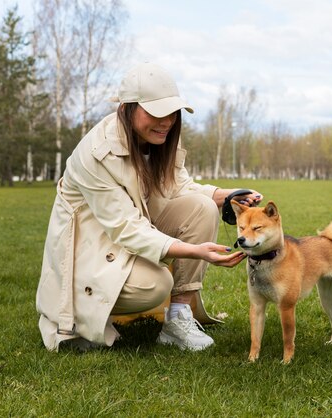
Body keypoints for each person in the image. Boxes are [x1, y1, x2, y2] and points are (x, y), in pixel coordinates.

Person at [36, 62, 262, 352]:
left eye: (172, 112)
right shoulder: (97, 152)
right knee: (154, 285)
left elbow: (179, 187)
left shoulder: (156, 139)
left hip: (124, 238)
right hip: (91, 251)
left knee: (202, 207)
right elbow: (125, 228)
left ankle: (178, 319)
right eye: (157, 112)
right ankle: (84, 309)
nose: (167, 121)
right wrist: (193, 251)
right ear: (128, 108)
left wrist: (225, 195)